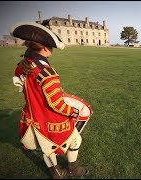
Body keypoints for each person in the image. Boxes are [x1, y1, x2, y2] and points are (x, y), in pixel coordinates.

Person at [11, 22, 90, 179]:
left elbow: (27, 88)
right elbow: (56, 104)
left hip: (32, 115)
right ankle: (73, 169)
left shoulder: (23, 65)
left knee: (46, 146)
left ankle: (56, 173)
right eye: (50, 47)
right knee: (76, 140)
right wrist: (74, 112)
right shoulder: (47, 72)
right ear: (46, 48)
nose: (51, 50)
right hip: (49, 118)